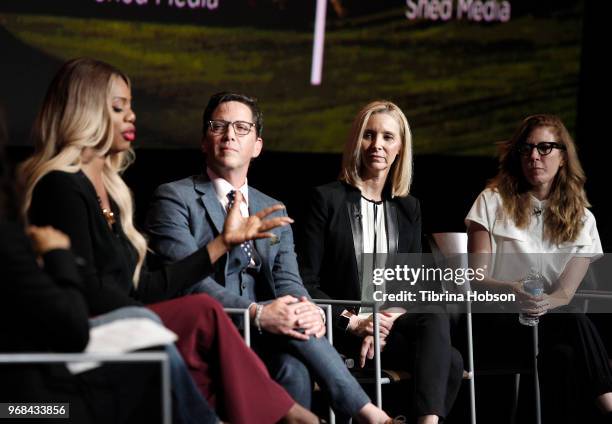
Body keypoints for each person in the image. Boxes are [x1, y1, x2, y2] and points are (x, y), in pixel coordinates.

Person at [18, 57, 316, 424]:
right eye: (117, 107)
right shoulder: (59, 186)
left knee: (205, 316)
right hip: (92, 332)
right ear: (86, 112)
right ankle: (293, 416)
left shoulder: (110, 192)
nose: (131, 117)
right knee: (195, 316)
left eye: (130, 106)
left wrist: (222, 243)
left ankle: (294, 415)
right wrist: (148, 318)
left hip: (127, 319)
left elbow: (144, 285)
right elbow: (86, 291)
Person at [146, 92, 393, 423]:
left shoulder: (270, 206)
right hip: (215, 330)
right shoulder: (174, 197)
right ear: (205, 141)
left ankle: (369, 415)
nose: (229, 134)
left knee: (295, 361)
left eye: (241, 127)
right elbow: (187, 283)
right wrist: (259, 313)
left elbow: (288, 281)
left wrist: (308, 309)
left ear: (258, 145)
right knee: (292, 337)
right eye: (218, 126)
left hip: (268, 336)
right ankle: (371, 415)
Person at [296, 100, 463, 424]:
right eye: (369, 135)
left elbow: (407, 284)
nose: (377, 145)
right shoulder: (326, 199)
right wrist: (357, 323)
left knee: (434, 316)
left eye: (388, 137)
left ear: (400, 147)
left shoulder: (408, 208)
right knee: (452, 362)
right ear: (356, 142)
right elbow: (306, 282)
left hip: (389, 329)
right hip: (341, 328)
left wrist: (380, 325)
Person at [465, 114, 612, 423]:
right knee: (570, 325)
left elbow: (564, 293)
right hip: (498, 322)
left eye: (545, 148)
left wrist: (543, 304)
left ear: (562, 156)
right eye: (527, 148)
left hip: (550, 325)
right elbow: (476, 279)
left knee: (564, 355)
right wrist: (511, 290)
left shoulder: (583, 220)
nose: (534, 156)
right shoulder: (491, 202)